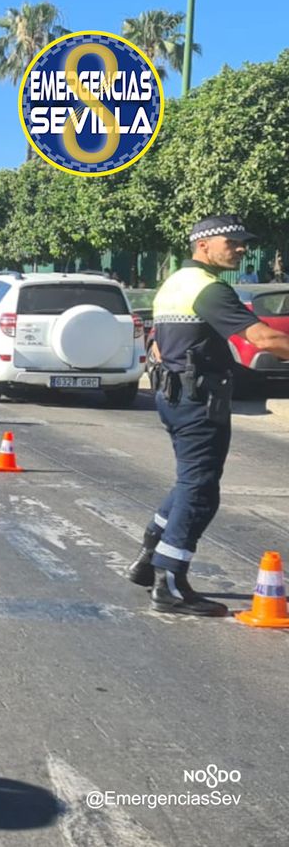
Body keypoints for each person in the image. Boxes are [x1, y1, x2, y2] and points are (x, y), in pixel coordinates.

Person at [126, 215, 289, 615]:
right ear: (203, 245)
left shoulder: (176, 283)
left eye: (242, 243)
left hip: (175, 394)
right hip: (199, 400)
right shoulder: (209, 289)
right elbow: (262, 338)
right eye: (232, 242)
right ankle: (169, 582)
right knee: (201, 490)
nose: (241, 249)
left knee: (189, 482)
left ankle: (150, 558)